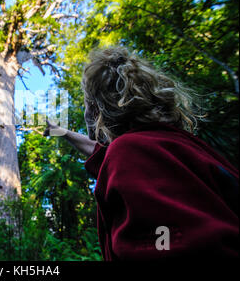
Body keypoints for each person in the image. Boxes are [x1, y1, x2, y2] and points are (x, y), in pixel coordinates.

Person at [43, 46, 239, 260]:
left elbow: (173, 246)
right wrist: (59, 131)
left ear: (97, 107)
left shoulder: (130, 153)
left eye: (85, 103)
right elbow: (100, 153)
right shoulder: (174, 147)